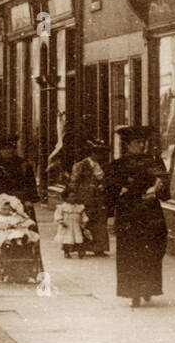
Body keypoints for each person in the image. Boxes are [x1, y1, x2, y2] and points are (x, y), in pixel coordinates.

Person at [105, 126, 169, 307]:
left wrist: (158, 189)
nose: (141, 145)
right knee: (130, 251)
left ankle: (149, 287)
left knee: (152, 249)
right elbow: (110, 192)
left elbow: (165, 192)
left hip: (150, 212)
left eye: (143, 142)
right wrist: (110, 215)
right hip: (129, 213)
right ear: (127, 144)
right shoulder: (118, 165)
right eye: (137, 142)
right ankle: (133, 292)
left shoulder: (155, 162)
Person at [65, 140, 109, 256]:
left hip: (98, 198)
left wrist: (102, 185)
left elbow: (104, 179)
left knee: (99, 222)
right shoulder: (81, 165)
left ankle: (98, 248)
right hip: (84, 197)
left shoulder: (102, 165)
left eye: (102, 153)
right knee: (84, 221)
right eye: (98, 153)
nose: (101, 156)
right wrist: (74, 196)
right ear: (92, 153)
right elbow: (74, 181)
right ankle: (81, 247)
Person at [0, 138, 37, 221]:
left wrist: (29, 199)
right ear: (0, 151)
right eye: (3, 149)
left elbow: (30, 183)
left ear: (14, 150)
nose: (7, 151)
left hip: (21, 199)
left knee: (24, 224)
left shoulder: (23, 165)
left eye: (9, 148)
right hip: (1, 201)